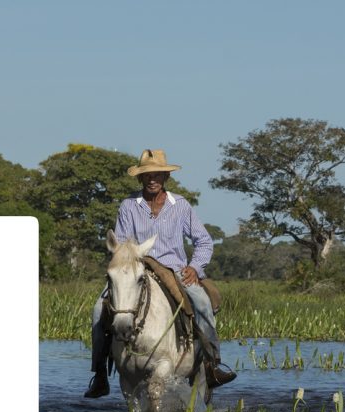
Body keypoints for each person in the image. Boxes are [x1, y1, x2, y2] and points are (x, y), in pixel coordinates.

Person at [84, 149, 237, 398]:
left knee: (202, 303)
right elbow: (122, 245)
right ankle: (100, 374)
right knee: (98, 310)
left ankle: (212, 365)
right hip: (137, 269)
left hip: (174, 270)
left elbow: (204, 241)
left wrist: (194, 268)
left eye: (157, 175)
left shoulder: (181, 206)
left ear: (165, 177)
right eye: (147, 175)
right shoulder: (128, 206)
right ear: (140, 178)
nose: (152, 179)